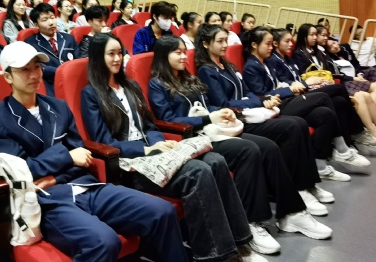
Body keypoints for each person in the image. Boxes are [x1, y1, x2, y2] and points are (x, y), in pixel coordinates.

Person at [0, 41, 188, 262]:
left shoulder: (58, 107)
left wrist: (54, 175)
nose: (34, 74)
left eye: (37, 67)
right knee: (104, 241)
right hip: (48, 201)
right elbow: (22, 171)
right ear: (8, 76)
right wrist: (66, 157)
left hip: (86, 185)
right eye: (24, 69)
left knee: (162, 211)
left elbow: (82, 155)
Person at [82, 33, 266, 262]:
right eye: (111, 54)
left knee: (216, 161)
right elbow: (103, 140)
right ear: (98, 57)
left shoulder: (130, 86)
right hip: (130, 164)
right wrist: (145, 150)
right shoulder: (91, 93)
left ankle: (241, 242)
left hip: (155, 153)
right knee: (198, 172)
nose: (118, 58)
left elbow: (150, 124)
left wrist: (158, 142)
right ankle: (215, 255)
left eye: (120, 53)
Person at [149, 36, 332, 247]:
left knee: (269, 147)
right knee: (249, 150)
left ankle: (291, 213)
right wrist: (209, 118)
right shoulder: (157, 84)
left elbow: (207, 105)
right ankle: (251, 222)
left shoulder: (187, 78)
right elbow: (168, 119)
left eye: (184, 52)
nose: (183, 56)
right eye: (177, 52)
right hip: (193, 137)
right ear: (164, 56)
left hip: (215, 129)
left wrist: (222, 112)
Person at [195, 24, 334, 216]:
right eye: (220, 41)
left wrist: (262, 100)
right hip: (238, 119)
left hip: (251, 112)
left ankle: (307, 185)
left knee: (299, 123)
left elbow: (248, 91)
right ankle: (299, 189)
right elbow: (223, 103)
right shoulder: (206, 70)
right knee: (291, 127)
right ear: (205, 44)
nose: (225, 45)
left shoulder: (227, 65)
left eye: (226, 40)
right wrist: (256, 101)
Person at [243, 26, 368, 178]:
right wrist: (291, 88)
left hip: (287, 98)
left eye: (271, 44)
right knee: (324, 97)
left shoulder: (266, 61)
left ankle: (321, 166)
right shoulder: (251, 67)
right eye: (268, 44)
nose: (271, 47)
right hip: (277, 106)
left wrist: (286, 87)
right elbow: (263, 95)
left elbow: (276, 84)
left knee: (325, 114)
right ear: (254, 45)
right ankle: (343, 148)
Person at [293, 23, 376, 156]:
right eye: (312, 35)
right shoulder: (298, 54)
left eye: (316, 34)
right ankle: (360, 132)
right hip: (314, 88)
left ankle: (355, 138)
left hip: (328, 84)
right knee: (347, 93)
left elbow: (331, 71)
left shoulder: (318, 52)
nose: (315, 37)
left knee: (345, 100)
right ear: (303, 36)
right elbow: (304, 74)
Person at [25, 3, 78, 97]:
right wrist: (62, 72)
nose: (51, 22)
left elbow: (79, 60)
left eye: (52, 17)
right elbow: (37, 67)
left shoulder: (69, 38)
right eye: (45, 20)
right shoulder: (31, 43)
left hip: (73, 82)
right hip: (49, 85)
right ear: (36, 25)